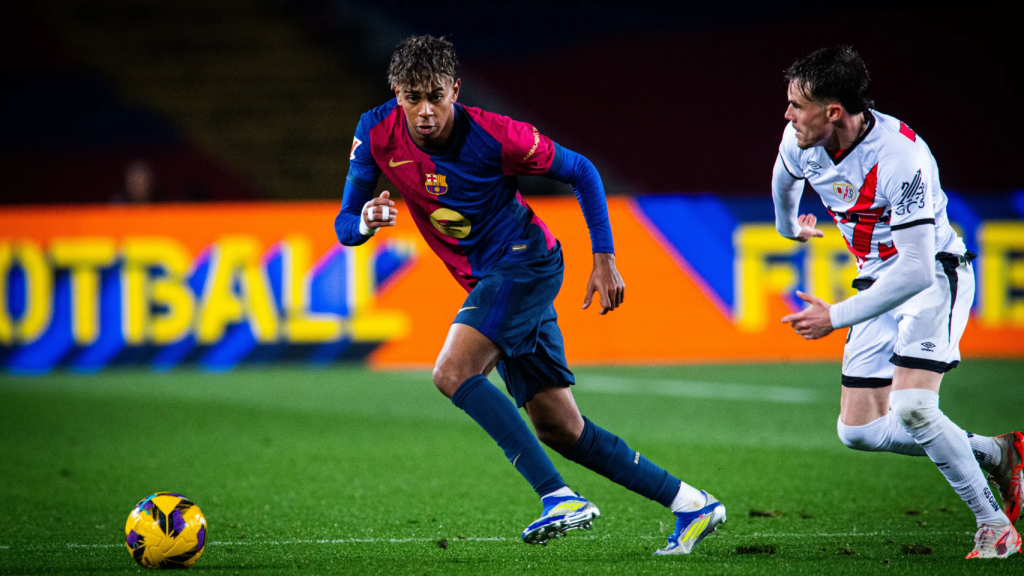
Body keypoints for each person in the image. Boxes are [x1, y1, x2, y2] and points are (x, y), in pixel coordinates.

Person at [334, 35, 724, 553]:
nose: (424, 111)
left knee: (453, 372)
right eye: (412, 97)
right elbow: (344, 224)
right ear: (395, 91)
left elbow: (582, 171)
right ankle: (691, 504)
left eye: (435, 96)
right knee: (562, 428)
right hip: (488, 281)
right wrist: (364, 220)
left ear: (455, 88)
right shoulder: (375, 130)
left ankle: (558, 497)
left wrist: (604, 258)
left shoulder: (498, 136)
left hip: (526, 262)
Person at [772, 45, 1023, 560]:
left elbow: (913, 268)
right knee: (859, 430)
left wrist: (833, 317)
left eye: (798, 105)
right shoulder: (801, 140)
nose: (788, 114)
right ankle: (998, 452)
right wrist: (787, 228)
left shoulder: (901, 158)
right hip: (877, 282)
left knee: (912, 407)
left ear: (833, 112)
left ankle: (993, 525)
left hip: (933, 276)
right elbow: (783, 183)